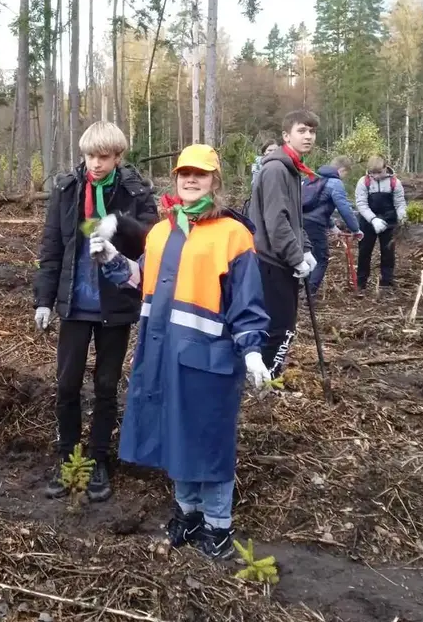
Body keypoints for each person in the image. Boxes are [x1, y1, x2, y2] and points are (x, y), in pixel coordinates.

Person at [92, 144, 270, 559]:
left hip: (210, 358)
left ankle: (218, 525)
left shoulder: (233, 234)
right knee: (176, 432)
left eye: (201, 174)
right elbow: (143, 280)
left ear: (215, 181)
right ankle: (187, 515)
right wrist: (112, 259)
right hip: (162, 353)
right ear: (175, 179)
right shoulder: (160, 232)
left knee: (208, 439)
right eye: (184, 174)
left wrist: (252, 350)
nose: (191, 180)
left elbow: (246, 301)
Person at [34, 121, 158, 503]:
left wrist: (120, 222)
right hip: (74, 305)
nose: (95, 164)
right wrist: (43, 299)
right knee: (67, 385)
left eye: (104, 157)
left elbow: (154, 239)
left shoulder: (135, 191)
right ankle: (69, 457)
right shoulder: (68, 190)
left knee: (106, 385)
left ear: (118, 156)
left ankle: (99, 458)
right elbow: (52, 247)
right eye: (90, 156)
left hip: (116, 304)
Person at [248, 110, 319, 376]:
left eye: (312, 131)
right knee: (281, 326)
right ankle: (266, 381)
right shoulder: (277, 169)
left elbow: (295, 219)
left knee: (283, 325)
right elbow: (276, 220)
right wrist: (295, 256)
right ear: (286, 135)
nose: (308, 136)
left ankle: (268, 379)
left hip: (281, 259)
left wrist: (307, 248)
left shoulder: (292, 169)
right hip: (271, 260)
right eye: (302, 130)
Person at [301, 156, 363, 294]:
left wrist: (333, 227)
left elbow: (318, 206)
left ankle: (300, 291)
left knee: (306, 256)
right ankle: (308, 295)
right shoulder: (335, 183)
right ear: (342, 170)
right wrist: (356, 229)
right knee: (320, 259)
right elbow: (344, 209)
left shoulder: (312, 177)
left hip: (299, 222)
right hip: (315, 225)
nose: (344, 177)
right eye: (346, 173)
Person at [354, 154, 408, 293]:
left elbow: (400, 203)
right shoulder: (363, 182)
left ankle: (386, 283)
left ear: (385, 167)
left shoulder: (395, 182)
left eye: (379, 172)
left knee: (388, 252)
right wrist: (373, 219)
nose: (376, 176)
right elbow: (361, 204)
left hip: (389, 221)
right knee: (364, 252)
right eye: (373, 173)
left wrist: (402, 219)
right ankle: (361, 283)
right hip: (368, 222)